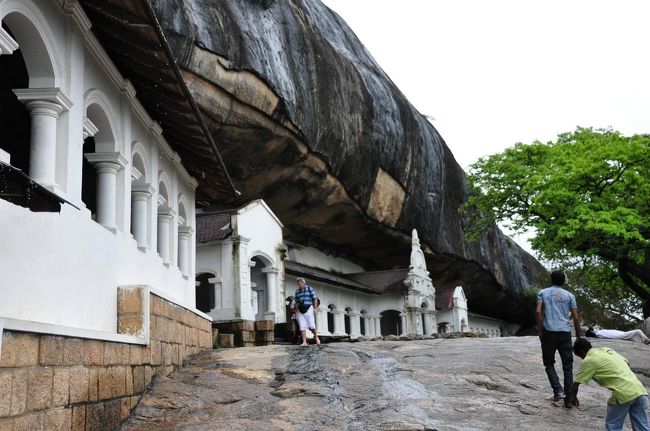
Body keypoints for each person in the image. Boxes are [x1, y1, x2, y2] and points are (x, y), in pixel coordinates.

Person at [570, 338, 649, 431]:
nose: (582, 358)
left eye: (580, 356)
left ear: (582, 352)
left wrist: (573, 397)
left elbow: (576, 384)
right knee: (642, 427)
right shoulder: (607, 350)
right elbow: (627, 363)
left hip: (622, 394)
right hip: (640, 391)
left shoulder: (589, 360)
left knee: (613, 426)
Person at [536, 270, 582, 407]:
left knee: (549, 363)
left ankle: (558, 391)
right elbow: (575, 317)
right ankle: (568, 400)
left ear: (551, 280)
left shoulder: (543, 293)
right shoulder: (569, 296)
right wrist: (579, 336)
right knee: (568, 367)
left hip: (549, 332)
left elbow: (538, 312)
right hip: (565, 333)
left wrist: (540, 330)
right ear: (563, 281)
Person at [292, 278, 321, 346]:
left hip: (309, 308)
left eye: (299, 283)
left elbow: (314, 298)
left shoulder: (309, 289)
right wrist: (295, 311)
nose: (298, 285)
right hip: (300, 309)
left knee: (311, 325)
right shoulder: (297, 291)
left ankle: (316, 337)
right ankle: (304, 342)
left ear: (303, 283)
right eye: (298, 284)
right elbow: (296, 302)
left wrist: (315, 308)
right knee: (302, 326)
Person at [585, 326, 650, 345]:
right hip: (622, 335)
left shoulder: (598, 332)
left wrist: (592, 329)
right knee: (638, 331)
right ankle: (646, 340)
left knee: (636, 337)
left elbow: (595, 328)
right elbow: (596, 331)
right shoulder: (599, 334)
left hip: (622, 334)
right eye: (592, 330)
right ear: (592, 332)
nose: (593, 329)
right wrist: (592, 330)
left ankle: (645, 342)